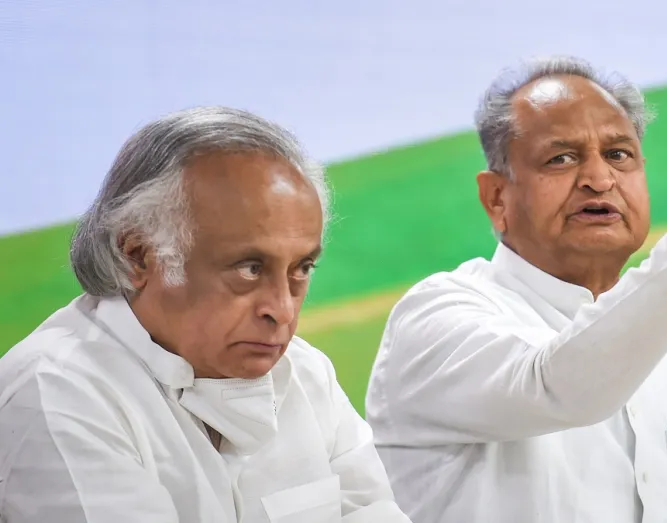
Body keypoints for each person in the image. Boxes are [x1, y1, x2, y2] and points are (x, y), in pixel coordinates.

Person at [365, 40, 667, 522]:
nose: (598, 178)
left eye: (618, 154)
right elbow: (559, 385)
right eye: (561, 158)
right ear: (497, 198)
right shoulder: (436, 318)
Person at [0, 107, 411, 523]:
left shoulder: (307, 374)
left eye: (301, 269)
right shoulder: (56, 393)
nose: (283, 310)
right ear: (139, 255)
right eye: (249, 269)